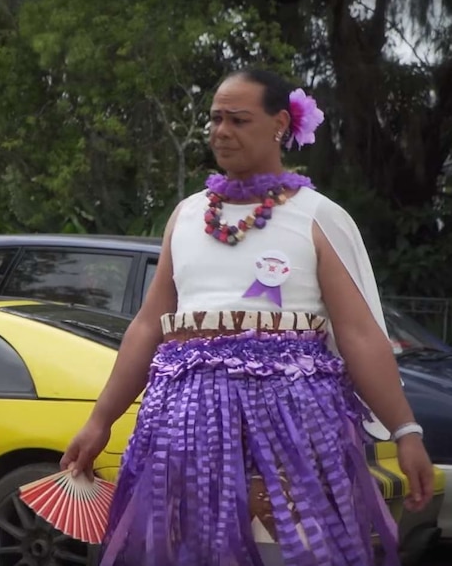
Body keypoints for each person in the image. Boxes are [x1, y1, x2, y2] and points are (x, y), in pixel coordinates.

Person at [59, 68, 435, 566]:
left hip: (292, 434)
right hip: (183, 433)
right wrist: (99, 420)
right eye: (215, 118)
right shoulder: (187, 216)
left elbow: (360, 335)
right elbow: (149, 326)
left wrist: (406, 431)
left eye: (238, 119)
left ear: (280, 124)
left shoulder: (318, 217)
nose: (221, 131)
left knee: (284, 554)